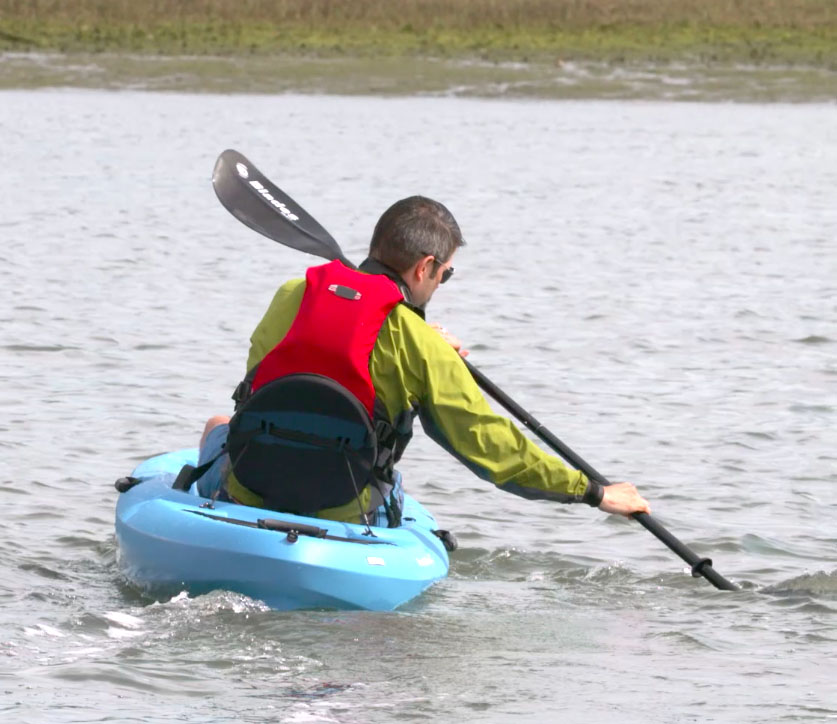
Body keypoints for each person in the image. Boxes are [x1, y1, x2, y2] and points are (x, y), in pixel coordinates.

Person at [194, 195, 649, 525]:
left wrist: (414, 337)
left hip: (249, 490)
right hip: (347, 508)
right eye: (445, 274)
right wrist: (591, 492)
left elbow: (259, 386)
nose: (441, 281)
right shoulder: (423, 345)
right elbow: (490, 447)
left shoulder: (292, 295)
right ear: (424, 267)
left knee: (218, 423)